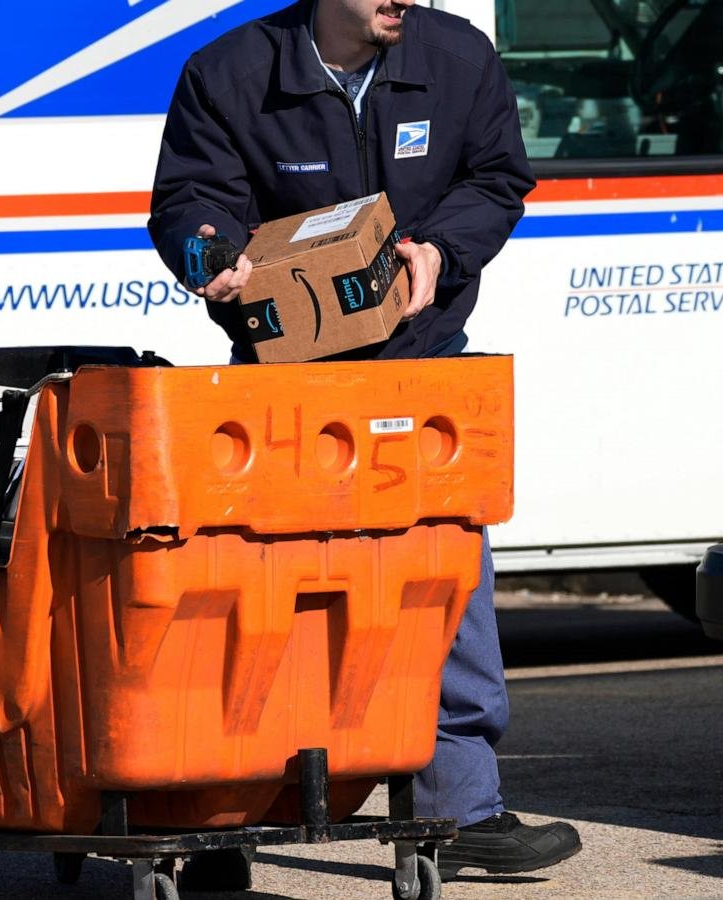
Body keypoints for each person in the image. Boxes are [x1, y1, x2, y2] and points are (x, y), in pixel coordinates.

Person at [146, 0, 582, 880]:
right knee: (272, 603)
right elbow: (191, 198)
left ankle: (461, 812)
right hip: (286, 382)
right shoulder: (229, 72)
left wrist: (438, 254)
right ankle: (225, 824)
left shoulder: (457, 56)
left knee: (444, 578)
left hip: (421, 370)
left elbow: (498, 178)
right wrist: (210, 252)